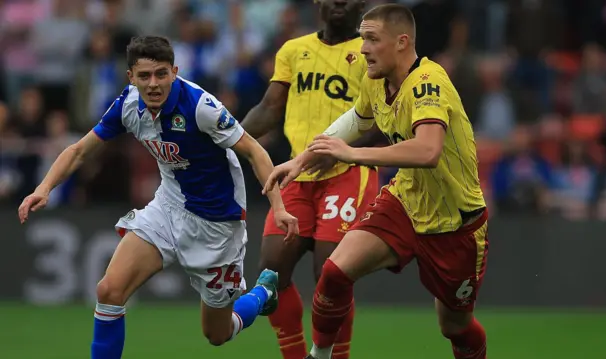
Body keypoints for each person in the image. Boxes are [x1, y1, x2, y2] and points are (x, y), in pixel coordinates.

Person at [17, 36, 299, 359]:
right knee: (109, 291)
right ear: (131, 78)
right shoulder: (127, 104)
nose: (154, 84)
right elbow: (80, 150)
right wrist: (44, 188)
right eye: (145, 76)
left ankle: (262, 293)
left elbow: (256, 152)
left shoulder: (200, 106)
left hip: (217, 225)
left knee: (217, 333)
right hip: (169, 207)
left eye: (162, 74)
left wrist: (278, 207)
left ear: (175, 72)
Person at [264, 4, 489, 359]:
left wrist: (352, 155)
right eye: (363, 38)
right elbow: (356, 119)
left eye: (371, 39)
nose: (363, 48)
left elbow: (428, 151)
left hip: (454, 222)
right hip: (404, 202)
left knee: (454, 326)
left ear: (401, 42)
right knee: (335, 272)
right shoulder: (375, 80)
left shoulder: (428, 82)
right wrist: (302, 159)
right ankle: (319, 355)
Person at [240, 1, 381, 358]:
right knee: (270, 274)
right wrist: (229, 137)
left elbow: (385, 119)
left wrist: (340, 150)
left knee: (331, 273)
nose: (338, 3)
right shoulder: (294, 50)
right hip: (296, 173)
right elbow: (271, 108)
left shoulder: (370, 53)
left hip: (349, 172)